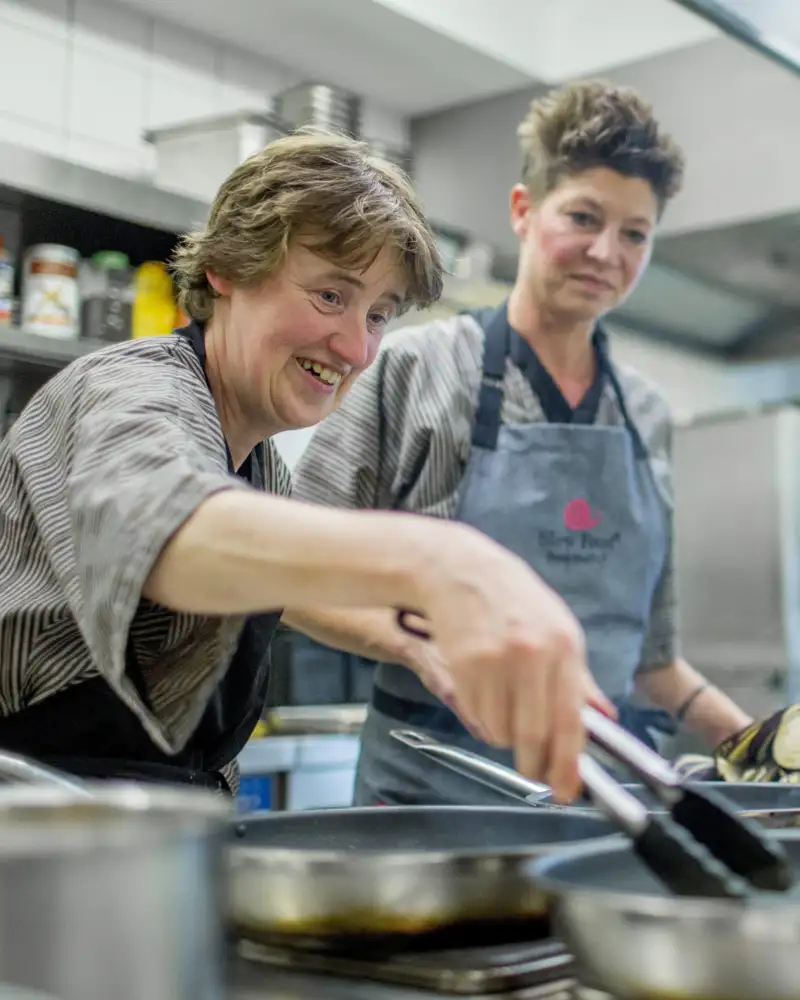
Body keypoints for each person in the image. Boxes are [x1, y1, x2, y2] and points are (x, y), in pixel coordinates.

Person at [0, 128, 602, 801]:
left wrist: (419, 644)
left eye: (378, 315)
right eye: (330, 296)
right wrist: (441, 561)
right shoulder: (132, 391)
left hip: (147, 830)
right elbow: (171, 536)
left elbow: (268, 586)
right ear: (227, 268)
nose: (354, 346)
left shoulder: (257, 459)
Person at [286, 82, 759, 807]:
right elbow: (288, 580)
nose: (606, 251)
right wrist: (421, 645)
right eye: (584, 217)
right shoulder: (421, 367)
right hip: (432, 796)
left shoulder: (646, 413)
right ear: (523, 211)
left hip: (601, 800)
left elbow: (651, 665)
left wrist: (764, 745)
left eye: (635, 233)